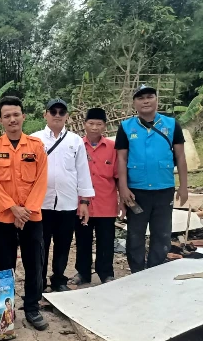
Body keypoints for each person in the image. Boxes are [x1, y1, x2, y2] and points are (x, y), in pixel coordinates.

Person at [0, 97, 49, 331]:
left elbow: (42, 180)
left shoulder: (36, 146)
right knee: (4, 266)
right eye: (7, 116)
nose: (12, 119)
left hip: (31, 218)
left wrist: (26, 210)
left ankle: (32, 308)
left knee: (34, 265)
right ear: (1, 120)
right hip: (4, 218)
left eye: (16, 114)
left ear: (23, 116)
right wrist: (13, 208)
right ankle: (5, 312)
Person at [115, 85, 188, 273]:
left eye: (149, 97)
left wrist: (183, 187)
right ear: (134, 103)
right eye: (140, 98)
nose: (145, 101)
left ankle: (155, 269)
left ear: (157, 100)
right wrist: (123, 188)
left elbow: (180, 157)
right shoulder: (125, 127)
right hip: (136, 191)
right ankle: (137, 272)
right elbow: (121, 159)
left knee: (162, 233)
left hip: (164, 189)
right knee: (135, 233)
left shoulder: (172, 124)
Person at [31, 99, 94, 292]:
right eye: (53, 111)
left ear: (67, 116)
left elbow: (82, 172)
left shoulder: (75, 141)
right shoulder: (34, 140)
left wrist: (84, 201)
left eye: (61, 112)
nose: (57, 115)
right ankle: (38, 282)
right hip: (41, 203)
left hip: (67, 203)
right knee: (40, 246)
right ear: (45, 114)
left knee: (64, 245)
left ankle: (58, 279)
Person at [69, 108, 119, 285]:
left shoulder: (113, 148)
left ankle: (106, 273)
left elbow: (118, 175)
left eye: (99, 124)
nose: (95, 128)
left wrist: (122, 201)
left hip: (107, 203)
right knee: (83, 240)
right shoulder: (76, 146)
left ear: (105, 126)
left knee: (106, 240)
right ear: (84, 125)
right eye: (91, 123)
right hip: (82, 204)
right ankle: (83, 273)